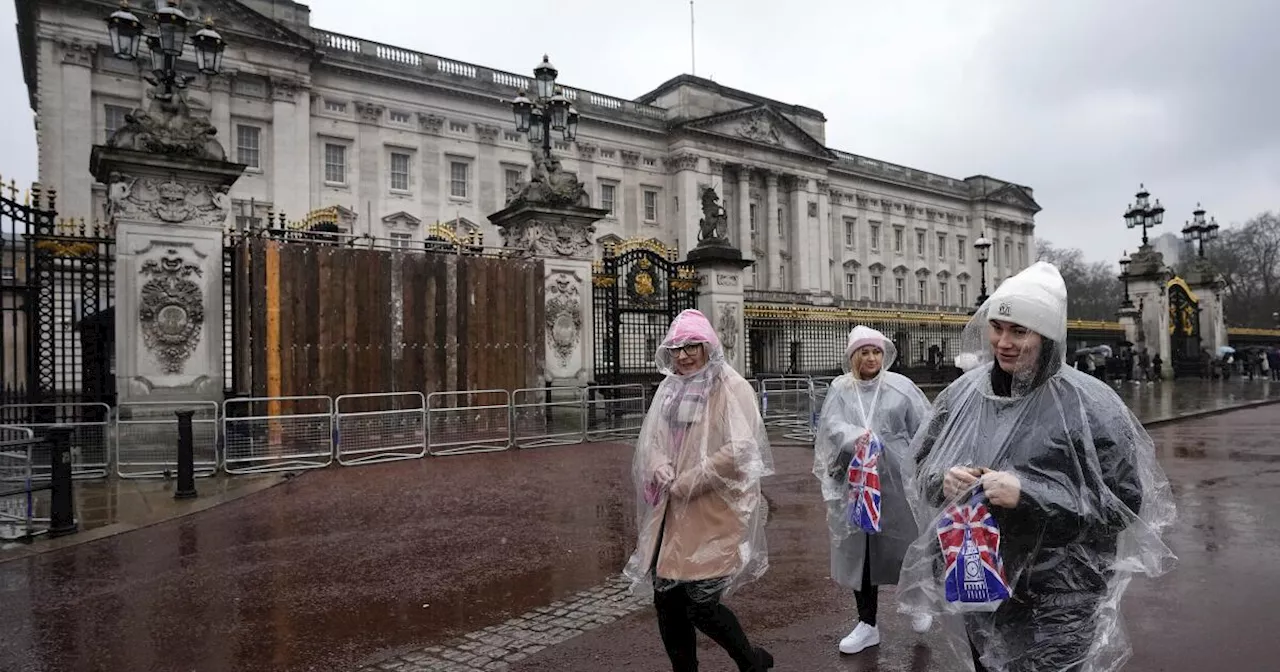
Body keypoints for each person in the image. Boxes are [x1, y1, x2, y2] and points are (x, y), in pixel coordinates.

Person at [898, 262, 1177, 672]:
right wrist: (944, 481)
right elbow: (921, 469)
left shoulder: (1091, 406)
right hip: (982, 577)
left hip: (1063, 592)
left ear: (1047, 337)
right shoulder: (961, 398)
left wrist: (1029, 496)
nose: (1004, 343)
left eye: (1019, 331)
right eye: (997, 327)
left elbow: (1124, 504)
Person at [623, 309, 776, 672]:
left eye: (692, 345)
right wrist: (658, 463)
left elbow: (741, 448)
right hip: (669, 513)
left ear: (708, 345)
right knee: (667, 601)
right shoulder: (670, 388)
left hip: (714, 510)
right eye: (676, 348)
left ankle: (750, 660)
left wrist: (689, 480)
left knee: (702, 605)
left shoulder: (732, 386)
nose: (683, 355)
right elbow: (654, 440)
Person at [813, 326, 933, 655]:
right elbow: (830, 427)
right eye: (864, 352)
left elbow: (924, 426)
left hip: (896, 481)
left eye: (876, 351)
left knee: (907, 543)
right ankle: (867, 623)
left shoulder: (901, 387)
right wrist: (855, 437)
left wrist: (921, 470)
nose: (870, 357)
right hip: (857, 482)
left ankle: (918, 600)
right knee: (862, 550)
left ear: (884, 355)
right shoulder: (841, 388)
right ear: (852, 356)